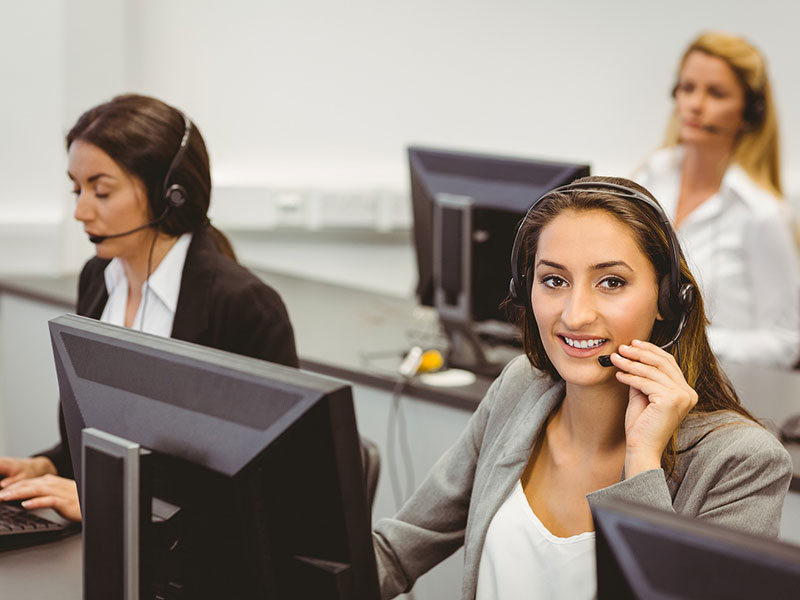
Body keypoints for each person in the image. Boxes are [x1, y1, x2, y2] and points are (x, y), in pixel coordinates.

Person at [372, 177, 792, 600]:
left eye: (611, 282)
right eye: (554, 280)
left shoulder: (740, 463)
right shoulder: (519, 390)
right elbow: (393, 552)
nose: (575, 316)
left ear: (668, 301)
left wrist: (643, 461)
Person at [0, 94, 298, 521]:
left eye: (101, 191)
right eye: (76, 189)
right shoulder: (99, 279)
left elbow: (262, 490)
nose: (81, 211)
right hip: (110, 547)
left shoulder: (242, 306)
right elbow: (110, 442)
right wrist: (48, 466)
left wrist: (116, 503)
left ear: (169, 195)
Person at [634, 31, 799, 367]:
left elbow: (787, 342)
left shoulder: (761, 214)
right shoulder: (648, 178)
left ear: (750, 112)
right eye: (687, 88)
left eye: (716, 93)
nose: (695, 104)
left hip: (718, 389)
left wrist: (691, 339)